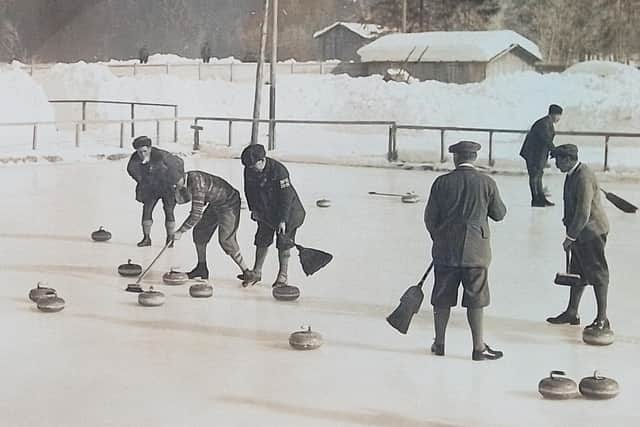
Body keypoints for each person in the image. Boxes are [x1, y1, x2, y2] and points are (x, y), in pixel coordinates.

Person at [424, 140, 507, 361]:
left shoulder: (441, 182)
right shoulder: (486, 182)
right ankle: (478, 347)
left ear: (455, 158)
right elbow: (499, 214)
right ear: (474, 158)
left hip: (445, 251)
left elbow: (429, 218)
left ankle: (439, 343)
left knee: (441, 297)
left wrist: (440, 238)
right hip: (476, 252)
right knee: (476, 298)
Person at [546, 144, 611, 333]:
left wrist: (570, 237)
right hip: (580, 233)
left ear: (568, 159)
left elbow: (584, 212)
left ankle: (602, 319)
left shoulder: (583, 176)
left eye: (558, 160)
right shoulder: (572, 173)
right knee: (578, 272)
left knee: (598, 275)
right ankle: (572, 312)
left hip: (592, 232)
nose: (556, 164)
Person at [239, 144, 306, 288]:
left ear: (262, 161)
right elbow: (249, 191)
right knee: (262, 238)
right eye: (248, 167)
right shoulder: (250, 169)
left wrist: (283, 220)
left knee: (284, 241)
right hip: (267, 211)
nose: (251, 169)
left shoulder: (279, 171)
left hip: (289, 212)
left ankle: (283, 276)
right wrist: (254, 210)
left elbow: (286, 197)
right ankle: (256, 272)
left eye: (253, 165)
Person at [172, 170, 250, 280]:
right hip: (216, 202)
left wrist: (180, 231)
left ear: (181, 177)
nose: (175, 186)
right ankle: (201, 268)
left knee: (226, 240)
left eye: (176, 183)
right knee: (200, 231)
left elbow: (196, 215)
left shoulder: (197, 185)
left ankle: (247, 272)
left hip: (229, 203)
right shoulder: (188, 178)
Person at [126, 136, 183, 247]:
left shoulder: (162, 156)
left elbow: (178, 163)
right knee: (147, 210)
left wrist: (176, 181)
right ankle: (146, 238)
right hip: (151, 188)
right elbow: (131, 169)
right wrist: (142, 180)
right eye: (139, 152)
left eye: (144, 151)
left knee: (169, 210)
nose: (142, 154)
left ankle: (170, 239)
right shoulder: (135, 158)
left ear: (150, 148)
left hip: (167, 187)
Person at [520, 104, 563, 207]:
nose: (559, 118)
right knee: (534, 176)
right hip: (532, 154)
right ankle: (535, 199)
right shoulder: (543, 123)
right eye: (559, 115)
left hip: (539, 154)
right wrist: (555, 151)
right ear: (554, 114)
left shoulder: (547, 122)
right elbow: (546, 139)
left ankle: (541, 198)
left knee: (538, 175)